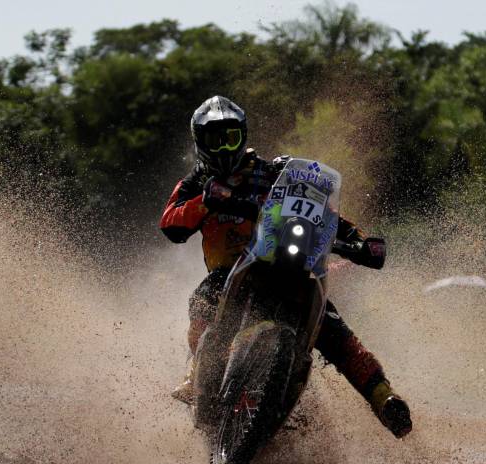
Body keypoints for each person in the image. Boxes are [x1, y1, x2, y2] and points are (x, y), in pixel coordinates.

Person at [160, 95, 412, 438]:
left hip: (283, 259)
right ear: (199, 143)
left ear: (243, 137)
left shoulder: (274, 173)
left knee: (333, 328)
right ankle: (196, 376)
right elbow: (170, 224)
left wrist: (359, 243)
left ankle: (385, 399)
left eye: (230, 138)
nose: (222, 149)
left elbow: (325, 213)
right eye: (213, 140)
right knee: (203, 300)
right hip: (231, 271)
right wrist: (204, 201)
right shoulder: (195, 184)